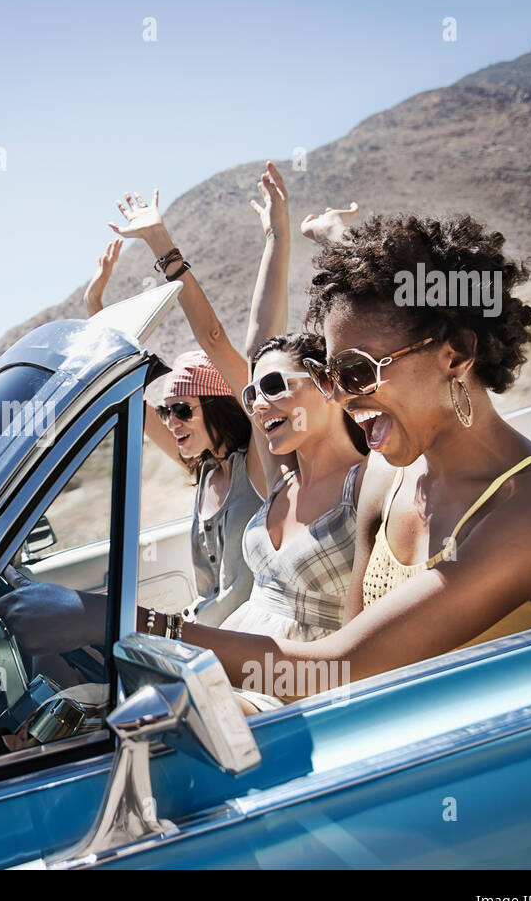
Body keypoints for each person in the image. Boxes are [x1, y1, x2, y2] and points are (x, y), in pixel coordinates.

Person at [143, 212, 531, 702]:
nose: (341, 396)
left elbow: (337, 671)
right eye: (329, 376)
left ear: (456, 354)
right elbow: (352, 679)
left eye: (357, 371)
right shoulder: (386, 475)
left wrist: (143, 628)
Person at [107, 165, 369, 642]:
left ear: (326, 382)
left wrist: (283, 234)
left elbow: (222, 340)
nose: (259, 404)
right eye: (252, 394)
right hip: (230, 653)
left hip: (293, 673)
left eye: (274, 387)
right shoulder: (281, 478)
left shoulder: (368, 480)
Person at [85, 245, 260, 626]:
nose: (171, 422)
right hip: (206, 631)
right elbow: (132, 395)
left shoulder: (259, 464)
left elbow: (214, 339)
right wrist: (94, 304)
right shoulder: (205, 469)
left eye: (182, 409)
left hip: (243, 638)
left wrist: (164, 250)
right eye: (167, 411)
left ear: (217, 405)